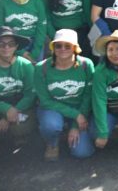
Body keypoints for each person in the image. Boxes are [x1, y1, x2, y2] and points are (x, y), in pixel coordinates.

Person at [35, 29, 95, 160]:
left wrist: (75, 125)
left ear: (75, 48)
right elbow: (45, 101)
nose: (62, 49)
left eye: (67, 46)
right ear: (53, 47)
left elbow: (88, 97)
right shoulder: (42, 67)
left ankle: (70, 130)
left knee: (82, 153)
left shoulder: (86, 65)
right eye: (58, 45)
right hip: (53, 110)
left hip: (80, 109)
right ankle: (52, 143)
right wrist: (76, 115)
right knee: (51, 126)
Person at [0, 27, 36, 161]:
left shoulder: (26, 65)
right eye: (1, 44)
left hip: (19, 105)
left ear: (16, 46)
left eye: (11, 44)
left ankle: (17, 138)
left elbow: (31, 94)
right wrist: (6, 109)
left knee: (20, 128)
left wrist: (13, 111)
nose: (6, 47)